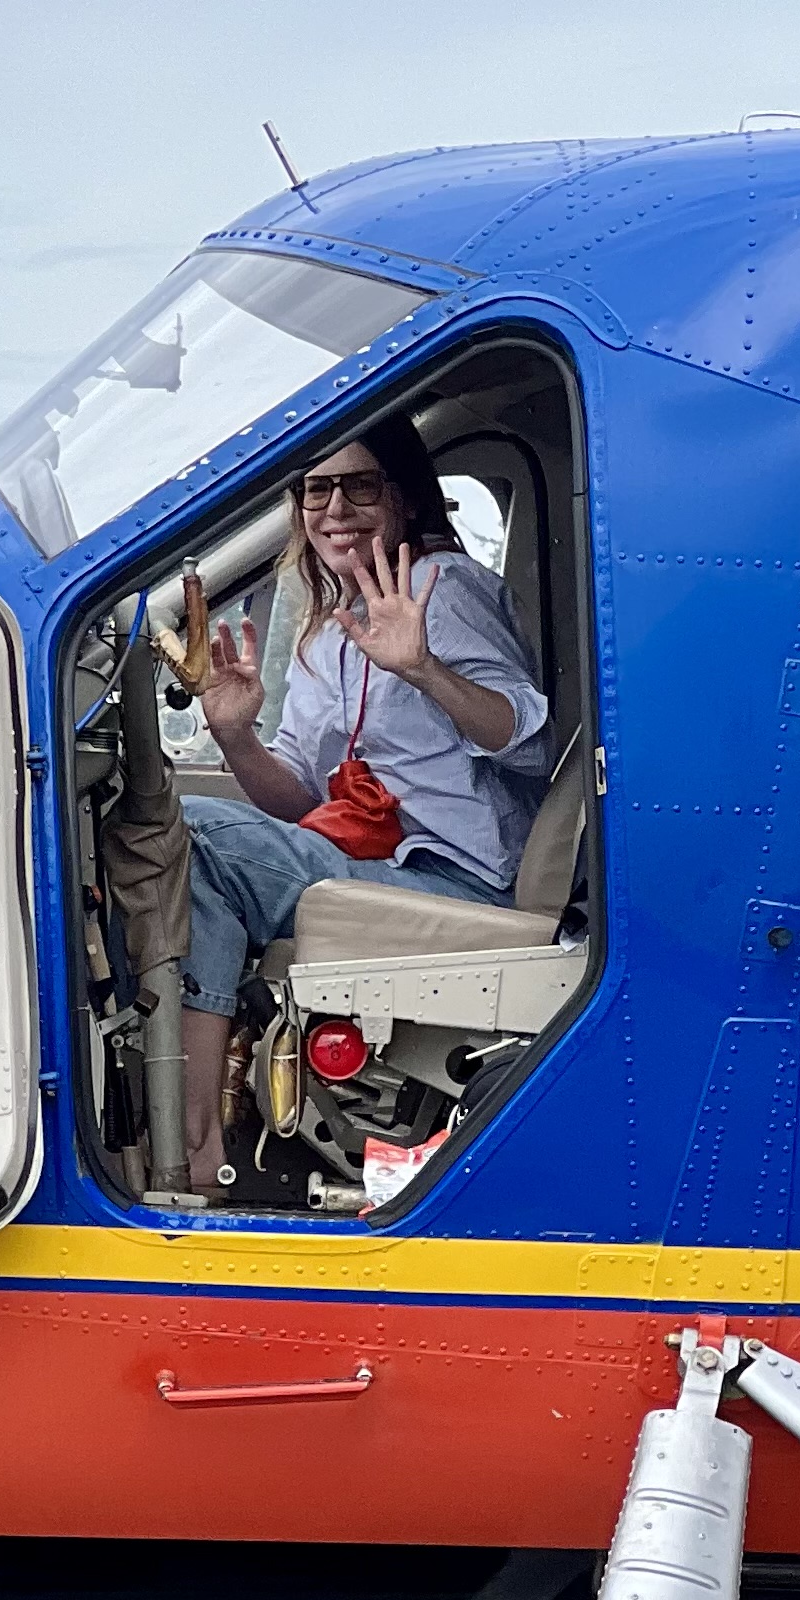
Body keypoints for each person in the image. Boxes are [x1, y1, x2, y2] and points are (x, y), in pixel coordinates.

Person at [180, 417, 550, 1188]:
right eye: (317, 489)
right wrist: (235, 736)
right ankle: (203, 1133)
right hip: (371, 860)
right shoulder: (328, 632)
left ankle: (196, 1142)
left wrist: (423, 671)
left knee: (188, 835)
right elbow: (296, 797)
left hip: (462, 877)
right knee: (197, 838)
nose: (335, 509)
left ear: (405, 500)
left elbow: (529, 740)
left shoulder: (440, 592)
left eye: (359, 486)